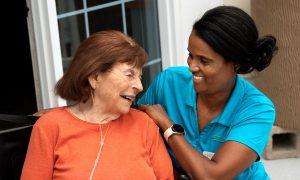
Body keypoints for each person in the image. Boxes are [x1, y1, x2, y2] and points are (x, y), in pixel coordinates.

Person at [138, 6, 278, 180]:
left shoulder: (257, 109)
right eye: (191, 55)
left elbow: (211, 177)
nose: (191, 66)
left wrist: (168, 126)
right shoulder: (168, 83)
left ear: (235, 63)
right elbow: (133, 131)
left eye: (204, 61)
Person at [21, 30, 174, 180]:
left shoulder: (144, 125)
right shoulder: (50, 127)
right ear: (94, 77)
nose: (140, 86)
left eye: (139, 76)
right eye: (129, 75)